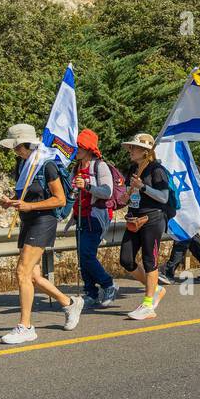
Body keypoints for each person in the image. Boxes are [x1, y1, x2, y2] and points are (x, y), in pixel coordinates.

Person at [0, 124, 84, 344]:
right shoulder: (23, 163)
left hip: (44, 221)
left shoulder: (47, 165)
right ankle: (70, 303)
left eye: (16, 147)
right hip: (28, 220)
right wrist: (12, 203)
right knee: (33, 276)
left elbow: (60, 200)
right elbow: (28, 196)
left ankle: (25, 326)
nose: (14, 151)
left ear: (26, 144)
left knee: (22, 272)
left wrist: (29, 207)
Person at [116, 133, 174, 319]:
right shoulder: (133, 168)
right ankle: (155, 288)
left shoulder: (157, 170)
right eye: (130, 147)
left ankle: (148, 304)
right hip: (134, 219)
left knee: (150, 261)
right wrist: (125, 196)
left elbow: (163, 197)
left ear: (145, 151)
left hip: (153, 219)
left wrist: (143, 187)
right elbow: (128, 192)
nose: (130, 151)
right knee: (126, 259)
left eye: (134, 147)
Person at [66, 129, 121, 308]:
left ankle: (108, 284)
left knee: (87, 254)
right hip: (81, 216)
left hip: (96, 216)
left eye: (80, 146)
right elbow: (73, 192)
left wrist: (87, 186)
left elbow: (107, 192)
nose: (76, 149)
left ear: (89, 148)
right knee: (82, 257)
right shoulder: (76, 168)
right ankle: (90, 292)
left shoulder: (100, 166)